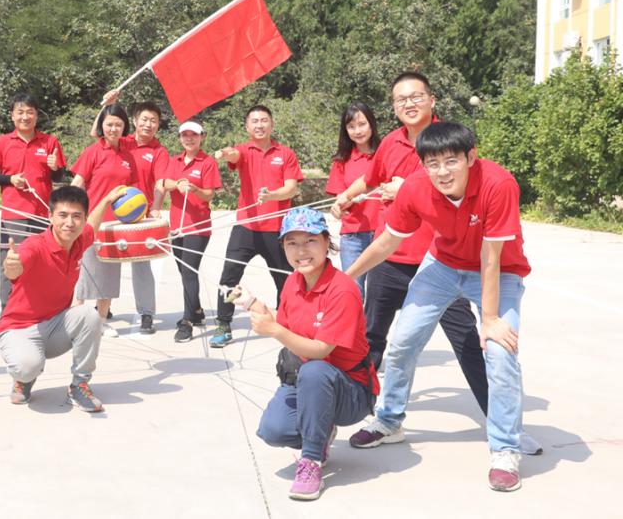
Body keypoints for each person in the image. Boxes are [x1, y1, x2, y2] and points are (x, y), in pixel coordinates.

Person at [344, 122, 530, 493]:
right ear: (423, 165)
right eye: (433, 163)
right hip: (442, 266)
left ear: (471, 157)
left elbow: (491, 257)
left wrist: (490, 320)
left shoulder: (498, 183)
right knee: (403, 341)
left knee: (500, 351)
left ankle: (506, 449)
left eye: (451, 161)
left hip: (499, 270)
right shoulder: (416, 188)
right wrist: (346, 278)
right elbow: (388, 242)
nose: (442, 172)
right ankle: (389, 420)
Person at [329, 72, 490, 411]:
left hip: (442, 262)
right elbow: (369, 179)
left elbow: (467, 185)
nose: (409, 104)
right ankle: (357, 408)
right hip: (390, 258)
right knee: (372, 337)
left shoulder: (450, 139)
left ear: (432, 100)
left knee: (466, 342)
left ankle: (500, 422)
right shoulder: (390, 143)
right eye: (402, 100)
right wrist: (345, 196)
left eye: (416, 97)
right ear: (394, 107)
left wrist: (408, 188)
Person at [239, 206, 377, 501]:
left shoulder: (343, 290)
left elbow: (320, 349)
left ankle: (312, 460)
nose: (301, 251)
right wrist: (254, 305)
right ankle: (320, 431)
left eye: (310, 240)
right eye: (292, 243)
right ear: (283, 248)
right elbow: (286, 324)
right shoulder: (293, 282)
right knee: (273, 431)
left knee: (315, 369)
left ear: (327, 242)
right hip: (310, 382)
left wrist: (273, 331)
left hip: (351, 390)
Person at [0, 185, 126, 412]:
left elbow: (92, 226)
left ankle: (79, 385)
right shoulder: (34, 246)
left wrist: (107, 200)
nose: (69, 222)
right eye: (63, 215)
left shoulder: (78, 240)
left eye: (76, 216)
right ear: (50, 217)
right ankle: (24, 380)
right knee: (27, 367)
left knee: (90, 315)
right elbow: (15, 268)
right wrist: (11, 266)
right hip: (20, 328)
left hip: (55, 326)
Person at [212, 105, 303, 347]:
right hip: (246, 228)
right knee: (229, 276)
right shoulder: (244, 150)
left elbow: (291, 188)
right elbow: (234, 155)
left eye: (264, 120)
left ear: (272, 124)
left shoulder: (285, 153)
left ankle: (287, 322)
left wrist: (272, 195)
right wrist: (225, 153)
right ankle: (223, 324)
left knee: (286, 279)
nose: (259, 125)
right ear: (247, 127)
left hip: (277, 229)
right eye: (254, 121)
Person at [0, 93, 68, 311]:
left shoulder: (49, 142)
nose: (25, 117)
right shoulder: (2, 142)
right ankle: (8, 310)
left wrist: (55, 167)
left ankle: (37, 310)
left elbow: (59, 177)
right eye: (20, 112)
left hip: (42, 215)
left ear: (36, 115)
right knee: (11, 262)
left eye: (30, 112)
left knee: (41, 263)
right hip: (13, 215)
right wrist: (10, 179)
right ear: (12, 115)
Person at [97, 90, 169, 334]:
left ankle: (146, 313)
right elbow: (98, 133)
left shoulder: (159, 151)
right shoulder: (122, 141)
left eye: (154, 121)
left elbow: (160, 183)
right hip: (113, 213)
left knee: (141, 266)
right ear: (135, 121)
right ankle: (104, 308)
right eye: (144, 119)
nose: (148, 124)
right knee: (108, 263)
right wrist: (108, 105)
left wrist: (156, 207)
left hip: (139, 217)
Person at [71, 103, 137, 338]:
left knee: (109, 275)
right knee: (84, 274)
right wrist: (69, 211)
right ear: (102, 126)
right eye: (109, 124)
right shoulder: (93, 151)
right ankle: (77, 321)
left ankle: (100, 321)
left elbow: (133, 190)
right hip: (91, 222)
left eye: (118, 124)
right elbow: (77, 184)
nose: (113, 129)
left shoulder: (128, 155)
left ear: (124, 127)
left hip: (116, 225)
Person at [156, 120, 222, 343]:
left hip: (198, 227)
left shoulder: (207, 162)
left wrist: (195, 189)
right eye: (185, 135)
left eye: (194, 135)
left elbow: (209, 194)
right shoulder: (174, 161)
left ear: (202, 137)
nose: (189, 139)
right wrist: (177, 185)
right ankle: (197, 310)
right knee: (183, 271)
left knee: (189, 271)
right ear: (180, 138)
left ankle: (187, 322)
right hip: (176, 226)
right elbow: (164, 183)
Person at [325, 102, 381, 297]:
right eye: (351, 126)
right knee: (353, 291)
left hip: (383, 234)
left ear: (372, 124)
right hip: (353, 236)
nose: (358, 131)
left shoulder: (386, 154)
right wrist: (338, 208)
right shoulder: (341, 161)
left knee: (379, 294)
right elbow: (339, 200)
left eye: (362, 124)